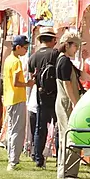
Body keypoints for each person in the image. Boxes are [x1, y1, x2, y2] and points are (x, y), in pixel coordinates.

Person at [28, 29, 59, 168]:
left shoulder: (33, 57)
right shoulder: (55, 54)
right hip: (55, 94)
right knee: (58, 125)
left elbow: (31, 76)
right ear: (52, 40)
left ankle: (38, 157)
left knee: (40, 127)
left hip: (40, 94)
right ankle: (60, 157)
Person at [55, 30, 84, 179]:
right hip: (66, 102)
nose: (77, 49)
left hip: (64, 101)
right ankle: (67, 171)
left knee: (65, 136)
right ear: (67, 45)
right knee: (70, 136)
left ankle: (65, 169)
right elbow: (67, 84)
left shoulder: (63, 60)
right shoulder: (64, 61)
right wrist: (75, 103)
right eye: (75, 46)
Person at [2, 35, 30, 171]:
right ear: (18, 47)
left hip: (9, 98)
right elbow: (16, 82)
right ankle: (13, 160)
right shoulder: (16, 62)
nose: (26, 51)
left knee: (12, 129)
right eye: (25, 48)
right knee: (18, 130)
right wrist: (28, 83)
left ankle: (11, 157)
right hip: (17, 98)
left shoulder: (8, 59)